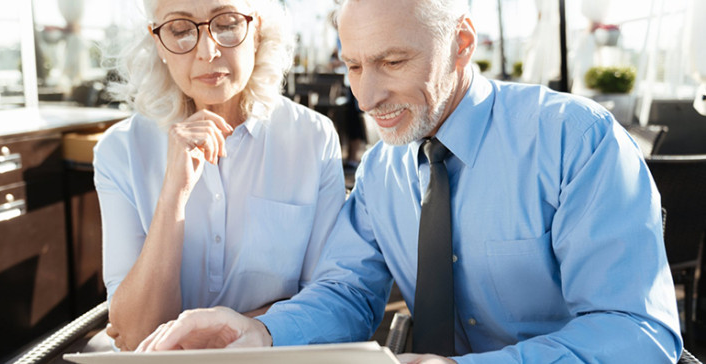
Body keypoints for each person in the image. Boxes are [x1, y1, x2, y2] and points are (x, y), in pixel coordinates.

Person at [134, 0, 683, 363]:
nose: (366, 98)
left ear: (462, 44)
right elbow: (347, 291)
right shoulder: (381, 172)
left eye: (393, 61)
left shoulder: (576, 141)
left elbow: (638, 333)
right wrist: (263, 334)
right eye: (353, 66)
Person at [93, 0, 346, 351]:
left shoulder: (313, 138)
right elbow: (135, 333)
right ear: (157, 44)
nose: (208, 51)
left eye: (226, 25)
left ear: (256, 31)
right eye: (180, 31)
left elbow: (330, 302)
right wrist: (173, 196)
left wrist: (229, 334)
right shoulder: (119, 151)